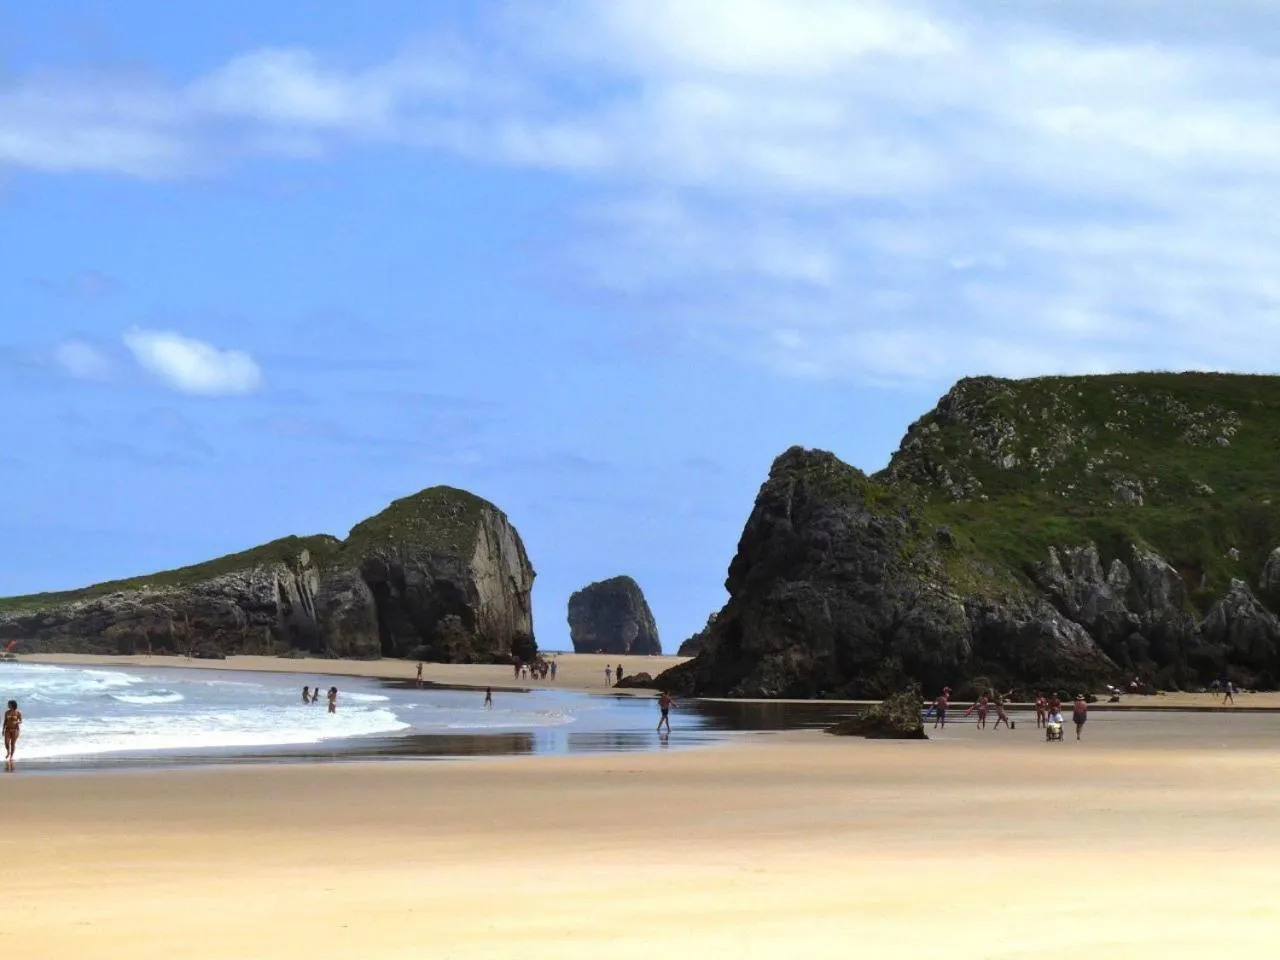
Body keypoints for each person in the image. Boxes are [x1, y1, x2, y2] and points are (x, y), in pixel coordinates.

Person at [3, 699, 21, 764]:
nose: (8, 705)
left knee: (12, 743)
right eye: (8, 704)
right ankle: (8, 751)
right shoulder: (6, 712)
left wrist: (17, 722)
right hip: (7, 729)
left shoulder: (18, 712)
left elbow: (21, 720)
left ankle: (11, 756)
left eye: (9, 704)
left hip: (15, 730)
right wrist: (3, 730)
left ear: (12, 705)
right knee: (6, 743)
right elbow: (5, 721)